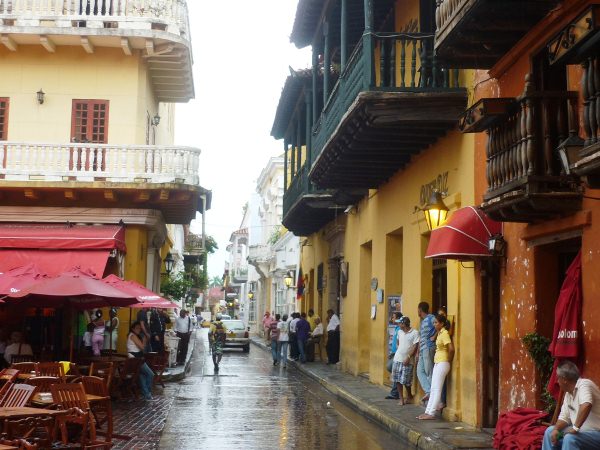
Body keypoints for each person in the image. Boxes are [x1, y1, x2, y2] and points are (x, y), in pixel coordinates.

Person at [542, 361, 600, 450]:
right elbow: (564, 418)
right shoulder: (568, 394)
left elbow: (586, 404)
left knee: (570, 438)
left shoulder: (584, 384)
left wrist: (575, 428)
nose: (557, 381)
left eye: (558, 378)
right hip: (581, 434)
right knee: (550, 432)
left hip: (596, 433)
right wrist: (556, 429)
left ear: (564, 379)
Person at [418, 314, 454, 420]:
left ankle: (431, 413)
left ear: (442, 324)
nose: (434, 324)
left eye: (436, 322)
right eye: (434, 322)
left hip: (443, 362)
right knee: (433, 388)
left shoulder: (445, 333)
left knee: (437, 389)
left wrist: (449, 360)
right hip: (438, 362)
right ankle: (428, 411)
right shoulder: (440, 333)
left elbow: (451, 349)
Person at [391, 316, 419, 405]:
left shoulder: (415, 333)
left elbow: (416, 346)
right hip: (397, 359)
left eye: (400, 323)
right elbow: (399, 343)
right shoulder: (399, 332)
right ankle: (401, 399)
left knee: (406, 381)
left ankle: (409, 396)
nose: (398, 324)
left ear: (404, 324)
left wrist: (408, 356)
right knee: (398, 380)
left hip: (408, 360)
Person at [126, 321, 155, 400]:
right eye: (137, 328)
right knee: (150, 374)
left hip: (136, 359)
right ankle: (148, 392)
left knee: (142, 375)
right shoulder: (133, 336)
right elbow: (142, 347)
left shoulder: (133, 335)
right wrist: (145, 338)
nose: (139, 330)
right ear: (132, 329)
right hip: (135, 359)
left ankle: (146, 394)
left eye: (140, 328)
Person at [416, 301, 436, 404]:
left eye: (417, 310)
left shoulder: (431, 318)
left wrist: (435, 336)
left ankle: (433, 397)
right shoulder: (422, 322)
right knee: (419, 371)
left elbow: (442, 325)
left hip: (428, 347)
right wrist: (417, 353)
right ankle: (429, 391)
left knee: (429, 372)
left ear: (420, 310)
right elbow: (420, 338)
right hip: (422, 349)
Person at [386, 312, 403, 400]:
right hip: (394, 353)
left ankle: (394, 392)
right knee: (392, 370)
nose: (392, 319)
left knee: (391, 369)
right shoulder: (396, 328)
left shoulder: (400, 329)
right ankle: (394, 392)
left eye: (393, 317)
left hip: (398, 354)